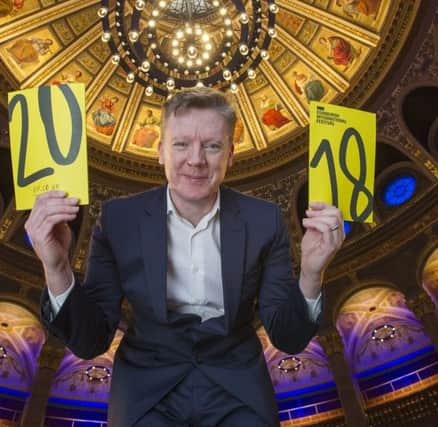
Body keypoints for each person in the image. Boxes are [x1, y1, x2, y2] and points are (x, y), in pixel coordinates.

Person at [25, 87, 344, 426]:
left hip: (237, 384)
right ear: (161, 151)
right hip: (147, 387)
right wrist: (56, 266)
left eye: (212, 145)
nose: (196, 159)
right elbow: (90, 341)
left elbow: (288, 337)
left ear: (230, 155)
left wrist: (311, 273)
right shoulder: (119, 220)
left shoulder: (264, 221)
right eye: (181, 144)